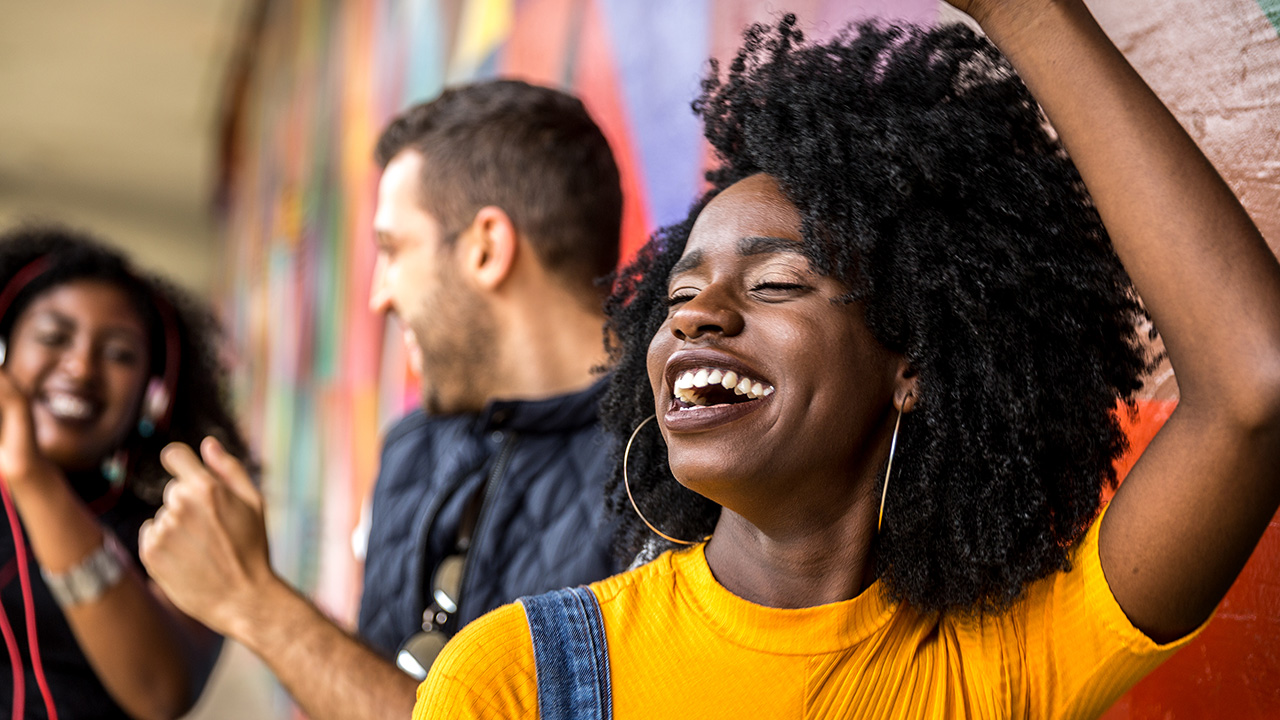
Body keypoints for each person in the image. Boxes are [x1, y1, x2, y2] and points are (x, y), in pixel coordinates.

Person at [410, 2, 1280, 719]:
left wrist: (1028, 13)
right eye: (678, 298)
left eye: (778, 284)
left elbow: (1254, 385)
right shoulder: (512, 681)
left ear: (914, 365)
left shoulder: (1004, 663)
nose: (699, 318)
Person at [139, 79, 627, 720]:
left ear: (486, 248)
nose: (379, 295)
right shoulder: (413, 447)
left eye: (393, 250)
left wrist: (252, 599)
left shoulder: (668, 471)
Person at [0, 226, 252, 720]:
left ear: (152, 396)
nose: (80, 368)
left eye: (118, 354)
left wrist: (32, 478)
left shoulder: (174, 531)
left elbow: (161, 692)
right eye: (53, 337)